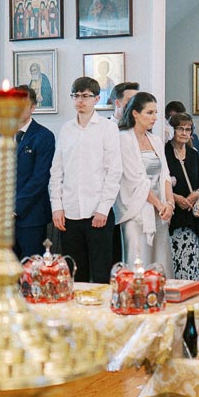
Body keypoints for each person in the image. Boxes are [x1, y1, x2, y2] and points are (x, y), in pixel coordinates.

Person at [49, 76, 123, 283]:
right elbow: (57, 171)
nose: (80, 100)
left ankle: (101, 316)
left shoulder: (107, 128)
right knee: (74, 272)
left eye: (85, 96)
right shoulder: (66, 129)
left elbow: (114, 171)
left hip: (98, 212)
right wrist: (57, 206)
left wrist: (103, 208)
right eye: (76, 96)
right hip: (70, 211)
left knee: (101, 273)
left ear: (97, 99)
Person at [0, 86, 56, 259]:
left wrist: (14, 208)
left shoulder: (44, 136)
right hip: (2, 218)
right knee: (5, 267)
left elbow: (40, 178)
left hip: (31, 217)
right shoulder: (1, 133)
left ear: (33, 107)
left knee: (30, 270)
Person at [114, 92, 172, 271]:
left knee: (159, 262)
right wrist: (159, 205)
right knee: (138, 261)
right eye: (150, 112)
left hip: (160, 211)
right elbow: (135, 180)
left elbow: (165, 175)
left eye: (156, 112)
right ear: (135, 114)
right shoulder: (123, 139)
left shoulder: (155, 140)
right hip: (136, 210)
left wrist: (169, 203)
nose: (155, 117)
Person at [165, 113, 199, 281]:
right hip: (172, 215)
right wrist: (176, 198)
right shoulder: (164, 152)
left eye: (188, 129)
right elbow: (158, 183)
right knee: (173, 263)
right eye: (180, 129)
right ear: (172, 130)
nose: (184, 133)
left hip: (191, 219)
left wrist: (195, 195)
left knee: (190, 263)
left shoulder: (193, 154)